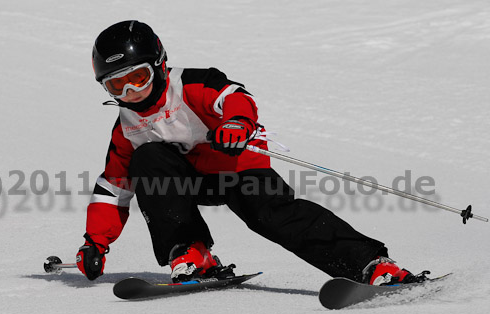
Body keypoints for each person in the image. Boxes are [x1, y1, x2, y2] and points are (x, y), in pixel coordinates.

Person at [75, 20, 428, 286]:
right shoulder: (127, 125)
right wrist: (96, 243)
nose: (131, 91)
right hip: (191, 182)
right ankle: (191, 254)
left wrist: (237, 124)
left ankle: (372, 265)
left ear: (160, 66)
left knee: (272, 215)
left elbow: (234, 96)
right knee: (146, 160)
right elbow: (113, 187)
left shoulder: (191, 85)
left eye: (137, 76)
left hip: (238, 168)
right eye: (116, 84)